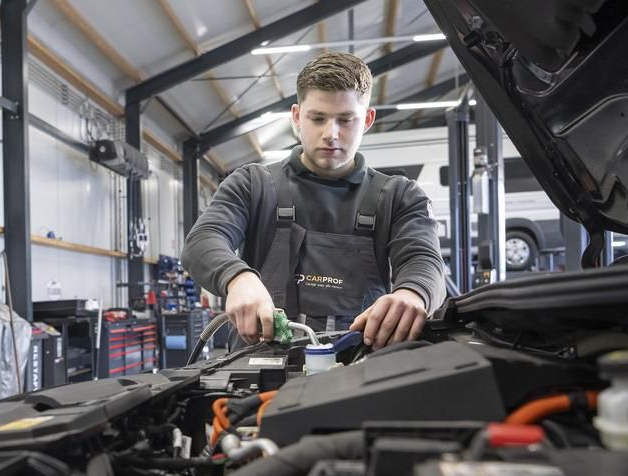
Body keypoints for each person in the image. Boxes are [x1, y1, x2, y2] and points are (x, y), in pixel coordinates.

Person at [181, 52, 445, 351]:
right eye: (317, 118)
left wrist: (412, 294)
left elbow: (423, 260)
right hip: (258, 373)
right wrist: (237, 278)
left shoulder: (400, 196)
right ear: (296, 116)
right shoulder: (252, 184)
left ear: (368, 119)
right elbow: (203, 240)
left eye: (346, 120)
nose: (330, 134)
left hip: (363, 368)